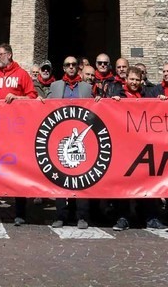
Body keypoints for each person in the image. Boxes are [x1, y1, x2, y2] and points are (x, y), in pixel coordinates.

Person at [0, 43, 36, 225]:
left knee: (17, 171)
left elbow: (32, 97)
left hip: (15, 133)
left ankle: (20, 212)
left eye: (0, 54)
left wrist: (18, 98)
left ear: (9, 55)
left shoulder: (22, 74)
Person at [106, 67, 168, 232]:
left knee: (147, 183)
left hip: (145, 146)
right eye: (131, 79)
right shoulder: (118, 95)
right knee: (124, 184)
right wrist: (111, 103)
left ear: (141, 81)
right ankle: (123, 218)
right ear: (126, 79)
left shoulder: (149, 95)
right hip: (124, 147)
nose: (134, 83)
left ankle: (151, 218)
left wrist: (161, 101)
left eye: (137, 80)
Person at [47, 55, 93, 230]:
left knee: (81, 178)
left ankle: (81, 216)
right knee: (61, 178)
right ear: (64, 68)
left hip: (82, 138)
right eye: (68, 65)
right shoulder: (56, 86)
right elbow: (47, 108)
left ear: (78, 68)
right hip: (60, 138)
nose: (71, 67)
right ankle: (60, 215)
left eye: (74, 64)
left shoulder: (86, 88)